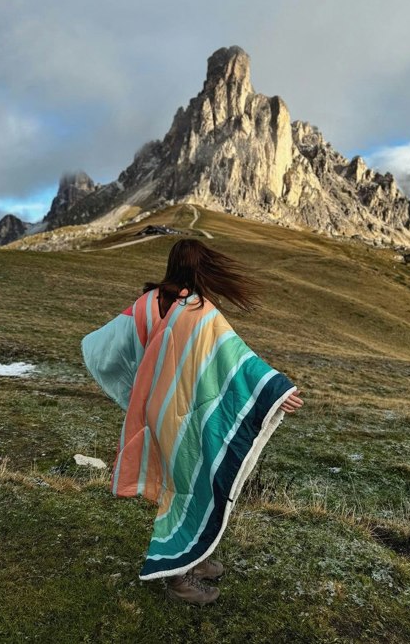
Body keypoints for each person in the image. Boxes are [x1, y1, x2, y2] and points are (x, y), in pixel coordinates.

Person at [81, 239, 303, 606]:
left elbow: (106, 344)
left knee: (178, 483)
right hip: (183, 413)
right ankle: (176, 576)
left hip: (156, 411)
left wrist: (135, 387)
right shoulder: (200, 310)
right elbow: (236, 360)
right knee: (187, 486)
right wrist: (276, 390)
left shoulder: (147, 303)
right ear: (201, 268)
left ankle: (194, 560)